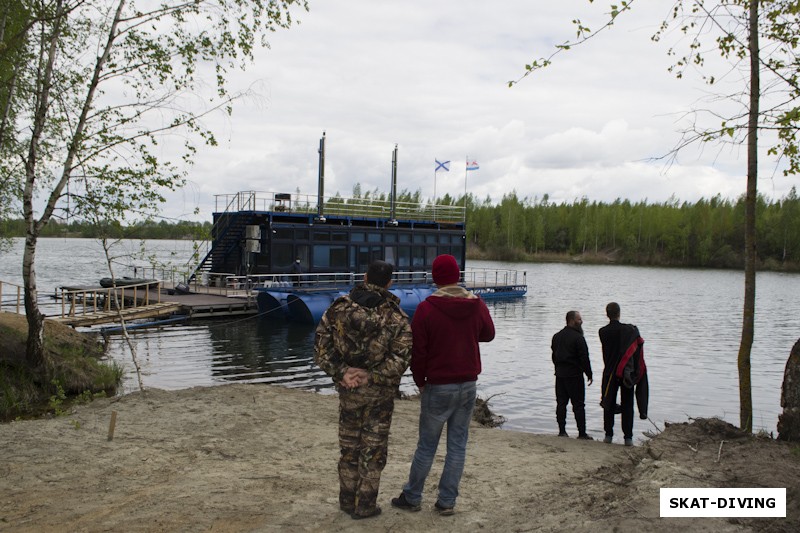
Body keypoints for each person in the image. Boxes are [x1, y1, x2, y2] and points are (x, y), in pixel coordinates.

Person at [391, 254, 495, 516]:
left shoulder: (427, 308)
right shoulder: (476, 303)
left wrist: (420, 381)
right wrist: (468, 334)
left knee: (427, 445)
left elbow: (419, 352)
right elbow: (489, 334)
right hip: (468, 384)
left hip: (438, 385)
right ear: (457, 276)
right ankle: (447, 501)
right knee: (457, 446)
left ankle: (413, 496)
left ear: (436, 278)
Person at [313, 260, 412, 520]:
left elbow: (321, 348)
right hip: (379, 395)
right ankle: (365, 505)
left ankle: (347, 501)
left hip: (349, 391)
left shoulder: (338, 309)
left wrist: (342, 372)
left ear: (365, 276)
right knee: (373, 450)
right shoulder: (397, 317)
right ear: (389, 283)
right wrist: (372, 375)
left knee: (349, 448)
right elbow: (401, 359)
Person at [600, 302, 647, 447]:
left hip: (609, 373)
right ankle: (628, 438)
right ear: (619, 313)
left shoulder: (602, 331)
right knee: (628, 404)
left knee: (608, 403)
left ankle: (608, 435)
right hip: (626, 373)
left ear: (607, 314)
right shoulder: (629, 331)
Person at [551, 310, 594, 440]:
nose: (581, 322)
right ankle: (582, 433)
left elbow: (554, 356)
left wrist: (558, 367)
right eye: (579, 319)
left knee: (561, 403)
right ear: (571, 321)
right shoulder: (578, 338)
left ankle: (562, 431)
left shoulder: (557, 336)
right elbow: (584, 358)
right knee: (579, 404)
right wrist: (589, 373)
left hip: (560, 374)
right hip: (574, 375)